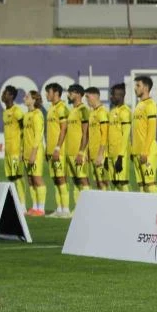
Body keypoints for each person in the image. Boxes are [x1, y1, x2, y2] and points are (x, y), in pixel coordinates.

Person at [44, 83, 71, 218]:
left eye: (48, 92)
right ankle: (59, 209)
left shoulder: (62, 108)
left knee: (61, 178)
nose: (46, 95)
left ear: (55, 93)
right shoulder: (51, 108)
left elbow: (64, 129)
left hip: (59, 151)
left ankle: (66, 210)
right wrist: (47, 149)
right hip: (50, 151)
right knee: (55, 179)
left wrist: (57, 148)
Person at [131, 76, 157, 193]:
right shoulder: (139, 105)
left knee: (150, 184)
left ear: (146, 88)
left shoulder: (150, 105)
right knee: (142, 186)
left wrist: (145, 150)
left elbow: (151, 130)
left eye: (138, 85)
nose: (135, 88)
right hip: (137, 152)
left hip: (147, 152)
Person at [64, 84, 91, 210]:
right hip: (70, 152)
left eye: (71, 93)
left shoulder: (83, 110)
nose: (68, 95)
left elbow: (86, 133)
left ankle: (88, 209)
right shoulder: (72, 111)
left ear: (78, 94)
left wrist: (81, 152)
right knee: (75, 181)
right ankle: (77, 210)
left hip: (78, 152)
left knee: (83, 179)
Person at [1, 85, 27, 211]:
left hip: (16, 151)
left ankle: (22, 205)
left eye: (5, 93)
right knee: (11, 178)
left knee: (18, 177)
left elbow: (25, 130)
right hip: (8, 151)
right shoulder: (5, 112)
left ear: (11, 96)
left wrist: (22, 149)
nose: (3, 95)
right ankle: (16, 203)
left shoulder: (17, 111)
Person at [23, 91, 47, 216]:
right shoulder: (27, 115)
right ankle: (34, 207)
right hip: (27, 151)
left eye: (27, 97)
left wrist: (33, 153)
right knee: (30, 180)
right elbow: (25, 136)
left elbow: (38, 136)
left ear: (33, 100)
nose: (24, 98)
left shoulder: (38, 114)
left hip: (35, 152)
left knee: (37, 179)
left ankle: (41, 209)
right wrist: (23, 151)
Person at [107, 83, 132, 192]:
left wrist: (121, 157)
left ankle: (129, 202)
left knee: (123, 182)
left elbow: (126, 135)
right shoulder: (112, 112)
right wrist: (106, 155)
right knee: (114, 182)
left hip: (121, 154)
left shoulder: (125, 111)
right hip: (111, 153)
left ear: (121, 95)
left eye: (113, 94)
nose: (111, 97)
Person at [85, 87, 109, 191]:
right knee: (97, 183)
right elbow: (90, 135)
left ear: (95, 96)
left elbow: (105, 134)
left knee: (103, 183)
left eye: (88, 96)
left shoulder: (102, 112)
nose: (86, 99)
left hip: (100, 155)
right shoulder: (92, 113)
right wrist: (87, 151)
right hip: (92, 154)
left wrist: (100, 154)